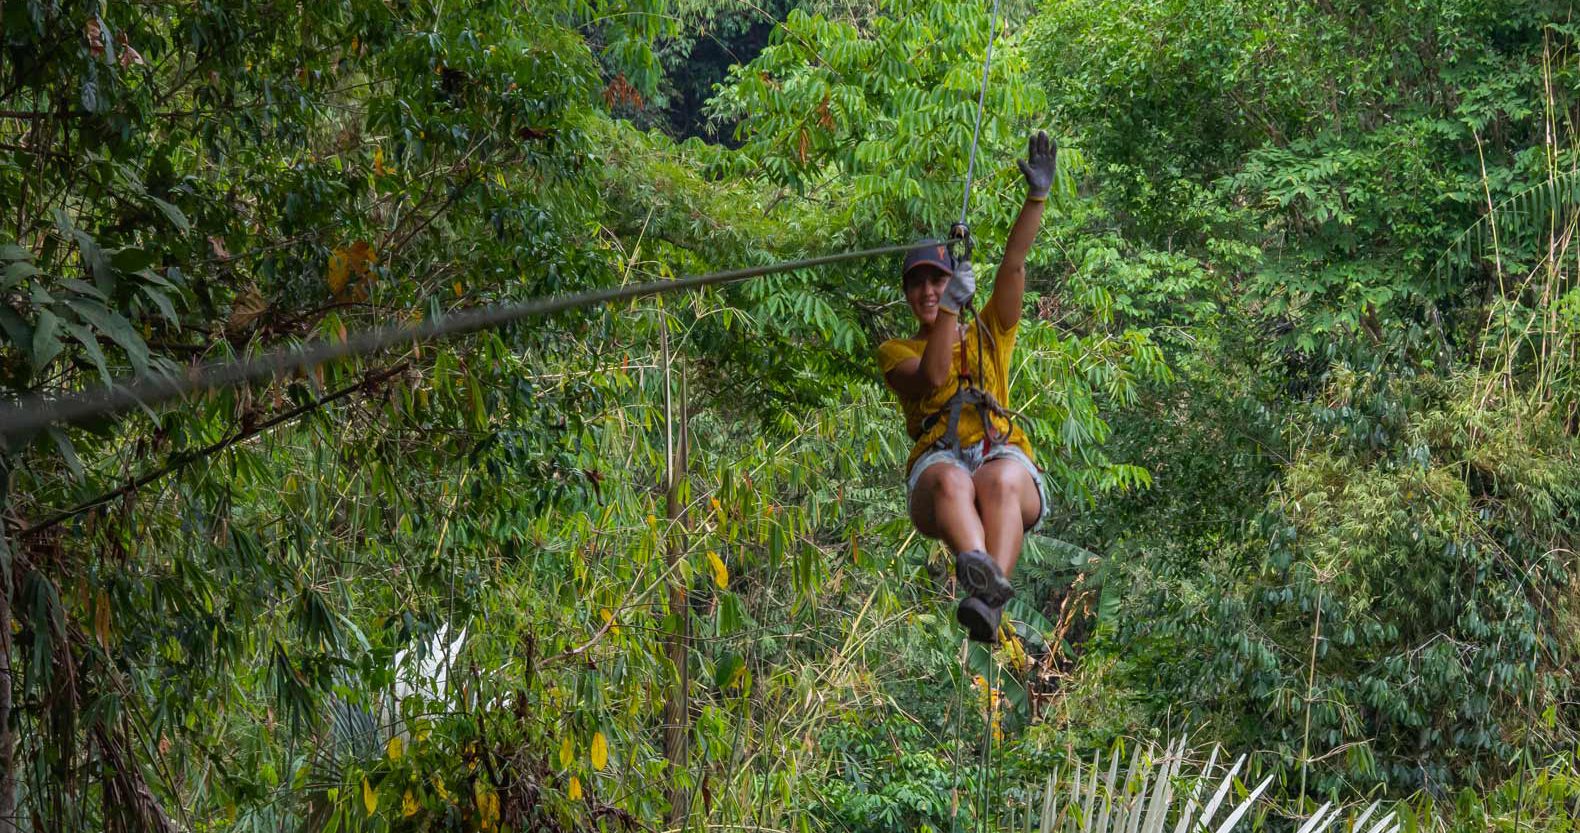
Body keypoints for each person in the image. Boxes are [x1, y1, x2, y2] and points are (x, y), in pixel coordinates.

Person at [876, 131, 1055, 643]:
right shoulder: (897, 352)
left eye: (938, 281)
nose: (929, 292)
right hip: (941, 467)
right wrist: (952, 306)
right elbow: (932, 377)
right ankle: (978, 567)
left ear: (952, 279)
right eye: (920, 285)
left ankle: (988, 597)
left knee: (997, 481)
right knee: (957, 481)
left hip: (999, 454)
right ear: (909, 295)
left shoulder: (989, 331)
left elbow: (1014, 264)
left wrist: (1036, 198)